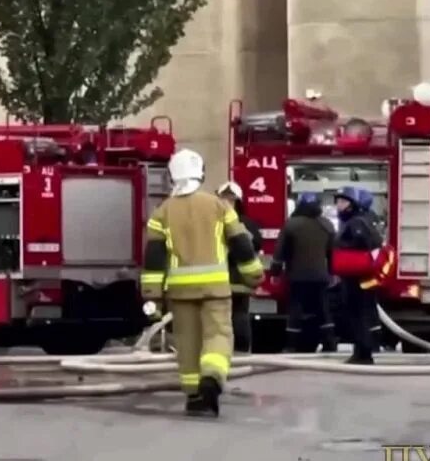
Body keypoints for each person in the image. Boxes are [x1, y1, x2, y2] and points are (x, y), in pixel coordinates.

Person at [141, 149, 264, 417]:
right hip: (216, 290)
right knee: (218, 335)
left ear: (173, 176)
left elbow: (154, 258)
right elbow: (241, 244)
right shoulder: (219, 206)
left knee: (187, 343)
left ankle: (195, 396)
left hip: (180, 292)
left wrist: (152, 296)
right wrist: (254, 274)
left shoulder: (161, 213)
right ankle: (212, 378)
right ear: (201, 173)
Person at [269, 192, 338, 352]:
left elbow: (280, 252)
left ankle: (291, 345)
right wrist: (333, 273)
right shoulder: (327, 225)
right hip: (321, 276)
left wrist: (275, 273)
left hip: (297, 276)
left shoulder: (291, 224)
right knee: (323, 309)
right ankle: (330, 343)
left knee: (295, 309)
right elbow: (332, 253)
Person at [332, 187, 385, 364]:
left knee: (359, 313)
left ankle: (364, 352)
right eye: (338, 201)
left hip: (358, 277)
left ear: (352, 204)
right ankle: (361, 350)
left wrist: (346, 251)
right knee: (358, 313)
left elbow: (369, 244)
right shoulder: (357, 221)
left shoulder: (357, 223)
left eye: (343, 202)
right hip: (354, 276)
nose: (339, 205)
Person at [215, 181, 264, 355]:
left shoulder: (215, 223)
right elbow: (256, 245)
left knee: (232, 316)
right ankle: (238, 351)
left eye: (230, 200)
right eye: (224, 200)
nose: (227, 203)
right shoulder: (247, 224)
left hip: (224, 280)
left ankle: (235, 350)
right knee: (237, 315)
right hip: (234, 279)